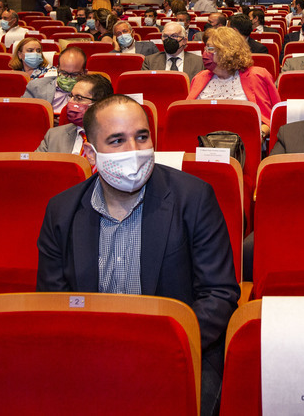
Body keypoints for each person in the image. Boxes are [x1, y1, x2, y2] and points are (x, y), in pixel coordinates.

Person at [36, 95, 239, 416]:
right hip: (88, 357)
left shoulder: (194, 197)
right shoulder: (62, 210)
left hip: (178, 353)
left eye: (141, 137)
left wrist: (160, 349)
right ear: (91, 153)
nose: (133, 150)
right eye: (117, 140)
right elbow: (53, 301)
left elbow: (219, 295)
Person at [187, 27, 281, 140]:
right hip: (203, 142)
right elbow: (187, 117)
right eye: (205, 48)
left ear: (227, 52)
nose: (205, 53)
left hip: (242, 144)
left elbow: (274, 119)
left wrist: (260, 134)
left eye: (210, 49)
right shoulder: (200, 77)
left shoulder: (257, 76)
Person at [36, 74, 113, 159]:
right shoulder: (54, 136)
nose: (70, 102)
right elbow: (35, 168)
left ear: (100, 104)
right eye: (71, 96)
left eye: (79, 98)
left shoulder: (118, 139)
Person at [24, 47, 88, 114]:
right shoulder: (36, 87)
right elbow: (25, 114)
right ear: (57, 69)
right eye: (64, 73)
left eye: (75, 74)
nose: (68, 78)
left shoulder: (92, 92)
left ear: (85, 73)